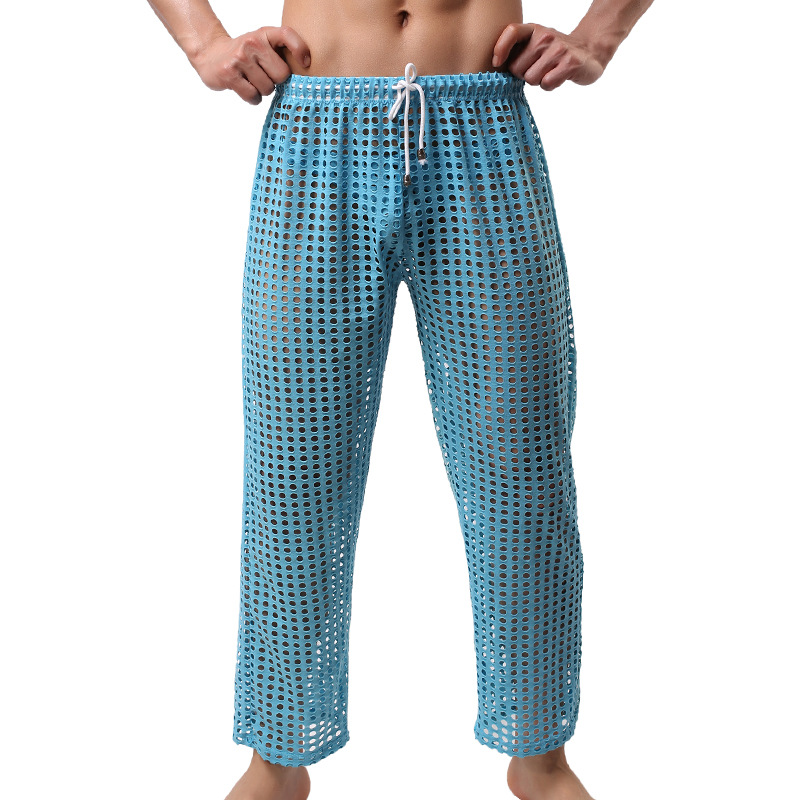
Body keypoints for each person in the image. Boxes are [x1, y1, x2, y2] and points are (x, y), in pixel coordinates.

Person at [146, 1, 654, 798]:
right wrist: (202, 43)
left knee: (522, 474)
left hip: (483, 131)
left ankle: (540, 757)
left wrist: (599, 38)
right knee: (294, 472)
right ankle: (277, 758)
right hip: (319, 134)